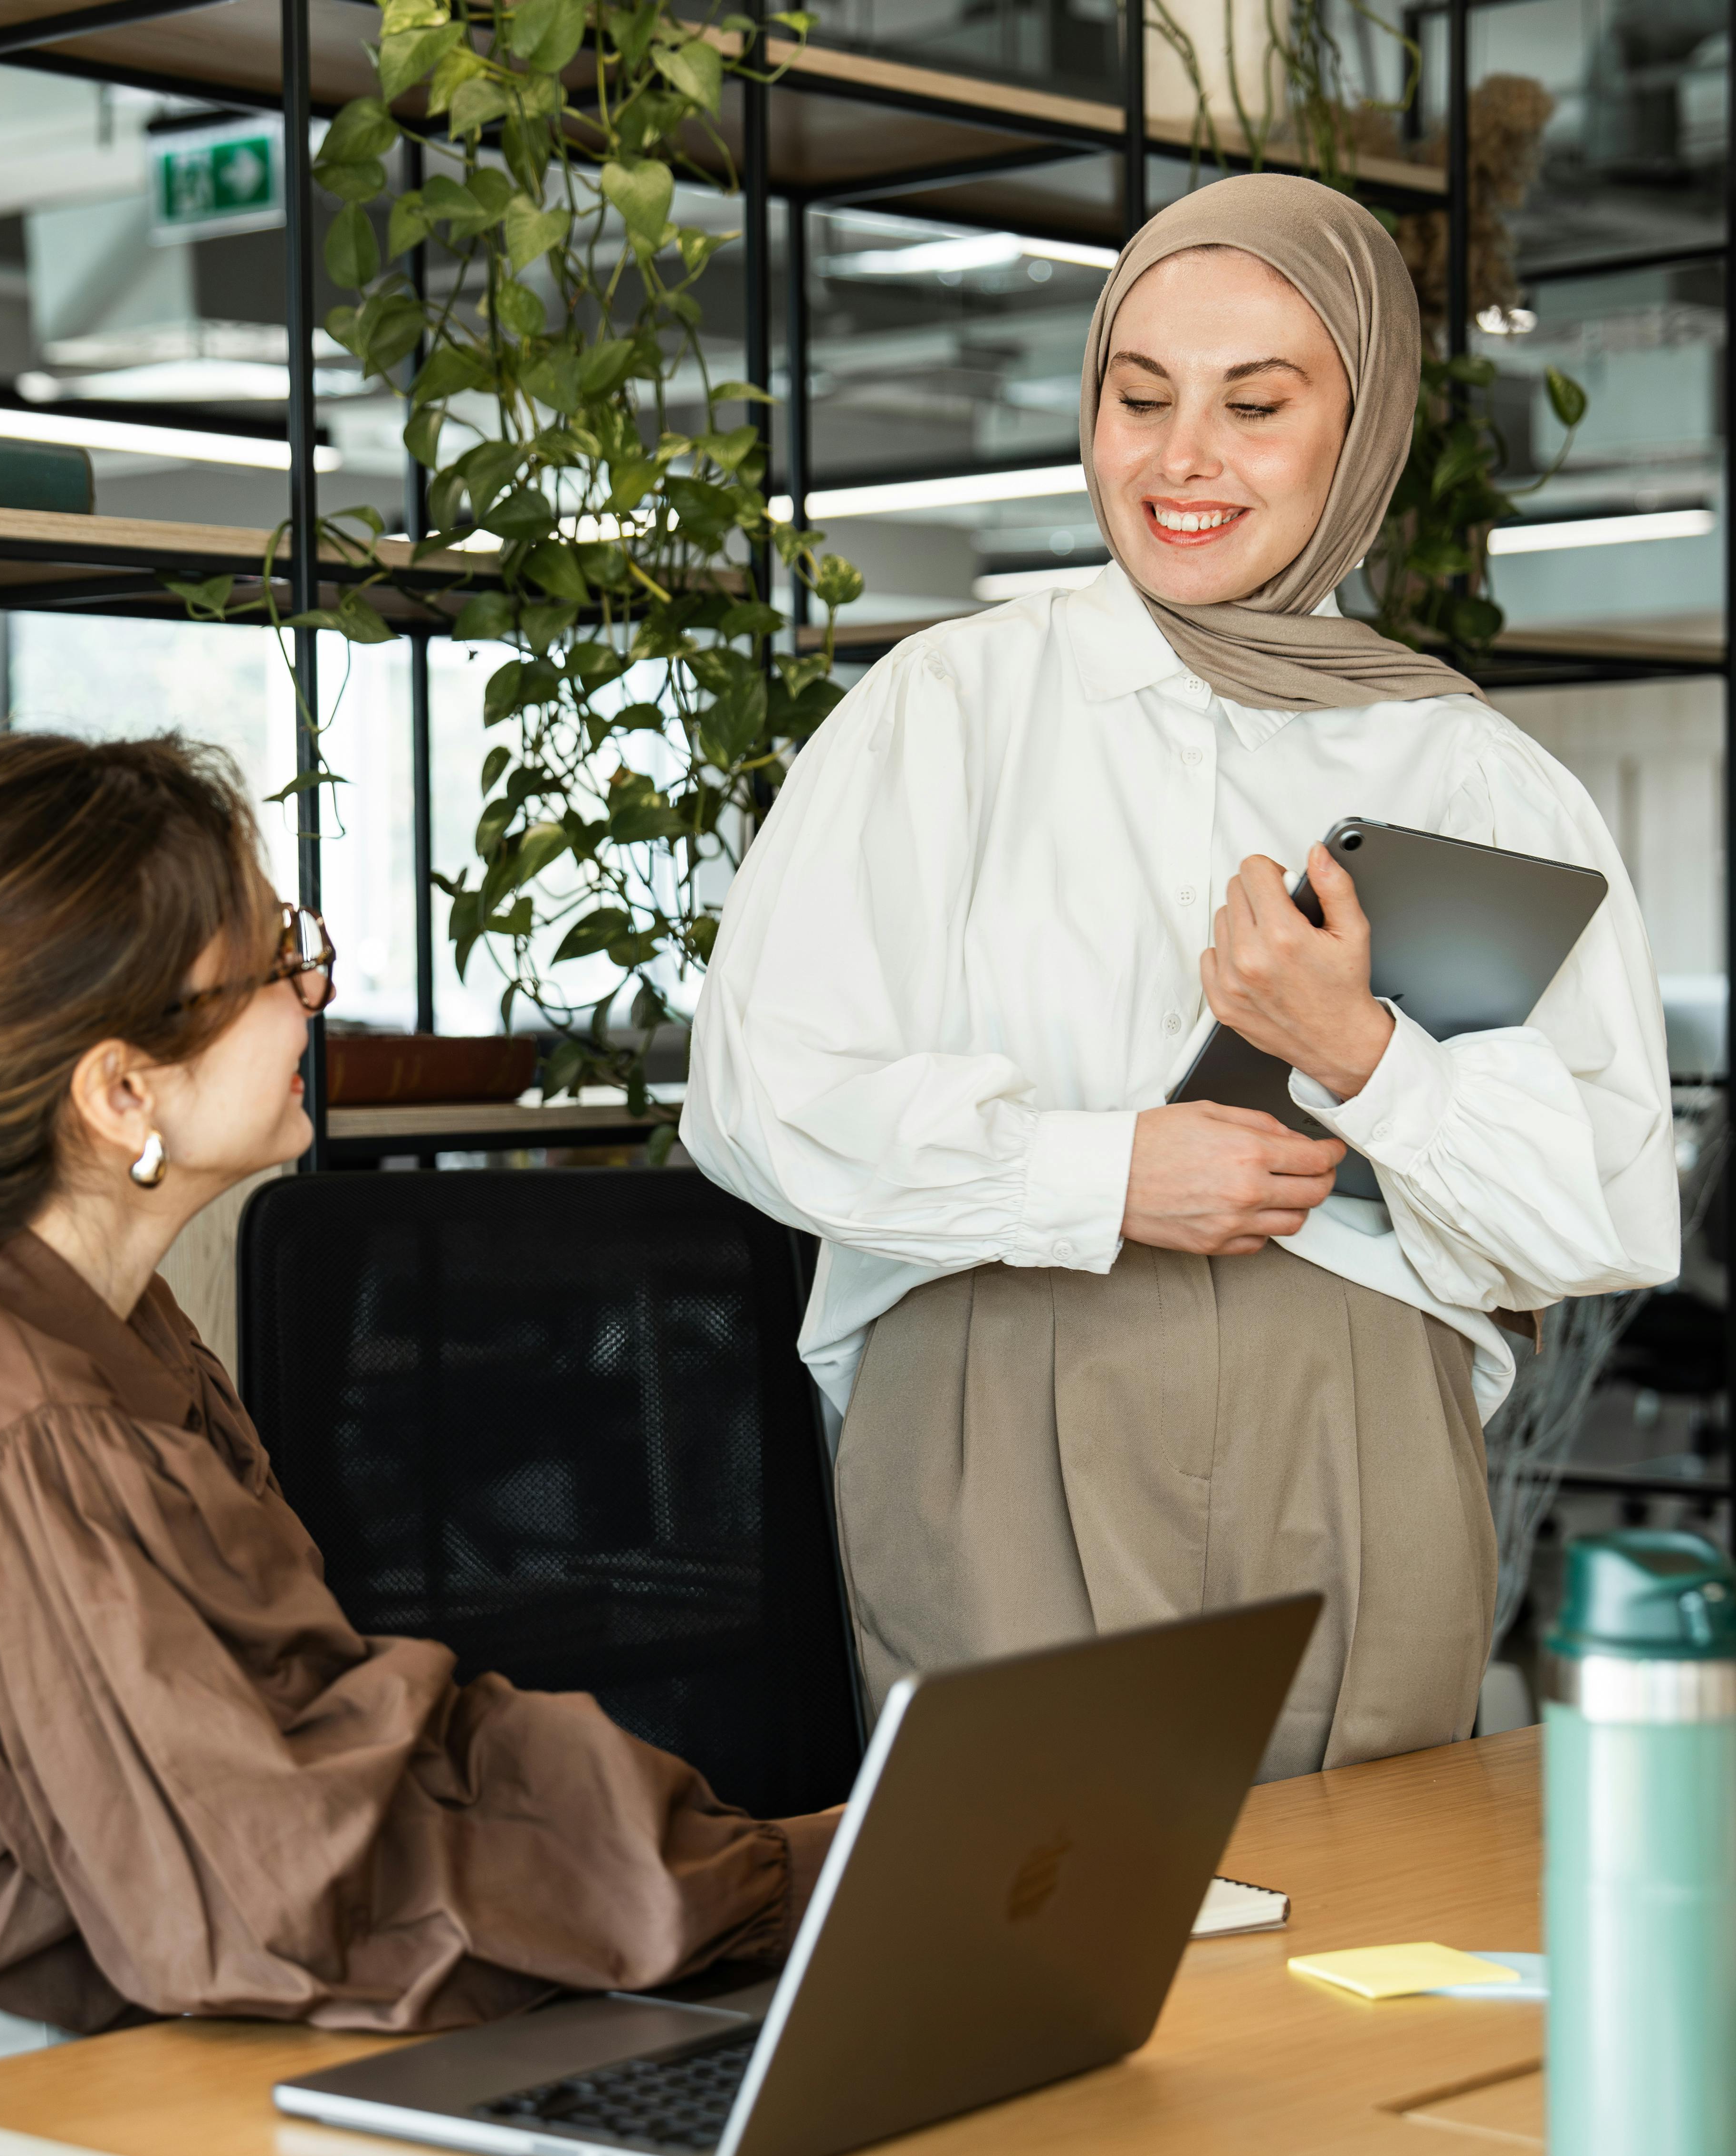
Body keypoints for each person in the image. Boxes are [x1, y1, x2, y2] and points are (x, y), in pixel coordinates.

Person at [0, 734, 839, 2120]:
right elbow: (279, 1876)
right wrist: (771, 1882)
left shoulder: (103, 1329)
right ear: (121, 1091)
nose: (319, 991)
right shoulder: (12, 1424)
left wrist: (756, 1869)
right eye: (275, 964)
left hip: (83, 2021)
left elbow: (311, 1758)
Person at [682, 173, 1680, 1781]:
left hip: (1354, 1410)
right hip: (1004, 1387)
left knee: (1370, 1935)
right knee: (1028, 1922)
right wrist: (1108, 1168)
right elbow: (759, 1100)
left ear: (1362, 433)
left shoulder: (1474, 772)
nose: (1180, 459)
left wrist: (1365, 1054)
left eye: (1257, 404)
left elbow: (1602, 1215)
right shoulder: (949, 710)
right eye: (1137, 399)